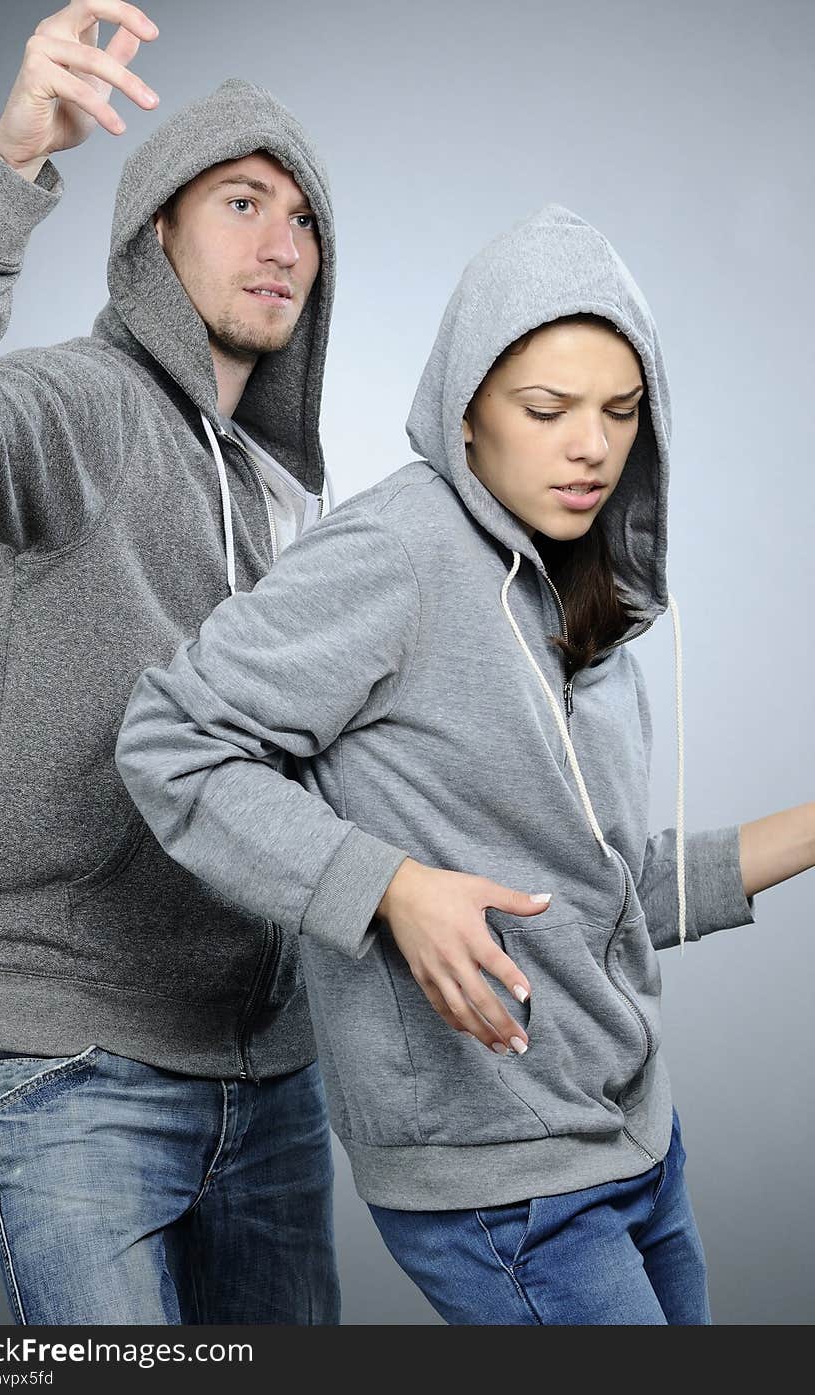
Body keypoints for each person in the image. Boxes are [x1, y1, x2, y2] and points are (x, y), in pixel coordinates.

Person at [116, 202, 813, 1325]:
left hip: (635, 1141)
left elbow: (596, 892)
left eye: (620, 412)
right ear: (468, 412)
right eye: (547, 410)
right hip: (505, 1181)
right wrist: (388, 889)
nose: (590, 445)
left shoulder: (578, 593)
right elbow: (168, 741)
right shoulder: (397, 557)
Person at [0, 1, 340, 1325]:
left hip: (271, 1071)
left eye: (306, 219)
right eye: (242, 202)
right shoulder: (77, 408)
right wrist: (9, 157)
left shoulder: (292, 503)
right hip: (78, 1062)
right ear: (156, 231)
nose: (286, 243)